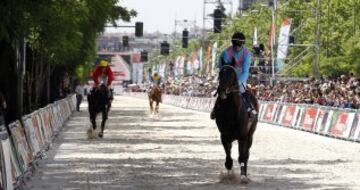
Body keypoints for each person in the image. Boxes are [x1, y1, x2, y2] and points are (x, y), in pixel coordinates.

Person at [210, 32, 258, 119]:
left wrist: (238, 83)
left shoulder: (247, 54)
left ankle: (250, 108)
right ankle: (215, 109)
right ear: (232, 44)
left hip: (241, 76)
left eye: (239, 45)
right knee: (222, 90)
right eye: (235, 45)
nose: (237, 47)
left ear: (242, 44)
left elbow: (245, 72)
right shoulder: (226, 53)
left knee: (242, 89)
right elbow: (224, 68)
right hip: (229, 75)